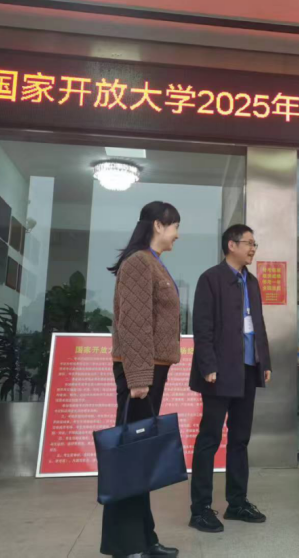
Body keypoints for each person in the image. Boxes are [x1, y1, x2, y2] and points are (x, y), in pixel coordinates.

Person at [103, 202, 183, 558]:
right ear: (158, 225)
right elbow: (133, 325)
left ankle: (144, 540)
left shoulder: (151, 262)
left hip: (151, 370)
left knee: (140, 457)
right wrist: (138, 377)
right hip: (141, 373)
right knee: (132, 459)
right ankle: (127, 545)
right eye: (175, 226)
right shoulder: (138, 262)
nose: (177, 234)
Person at [189, 224, 273, 533]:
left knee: (240, 439)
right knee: (210, 439)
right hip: (219, 372)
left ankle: (237, 503)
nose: (253, 248)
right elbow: (202, 326)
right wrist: (208, 365)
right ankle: (200, 509)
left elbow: (258, 325)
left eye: (254, 243)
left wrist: (264, 361)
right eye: (248, 243)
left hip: (247, 369)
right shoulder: (211, 278)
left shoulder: (252, 281)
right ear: (231, 245)